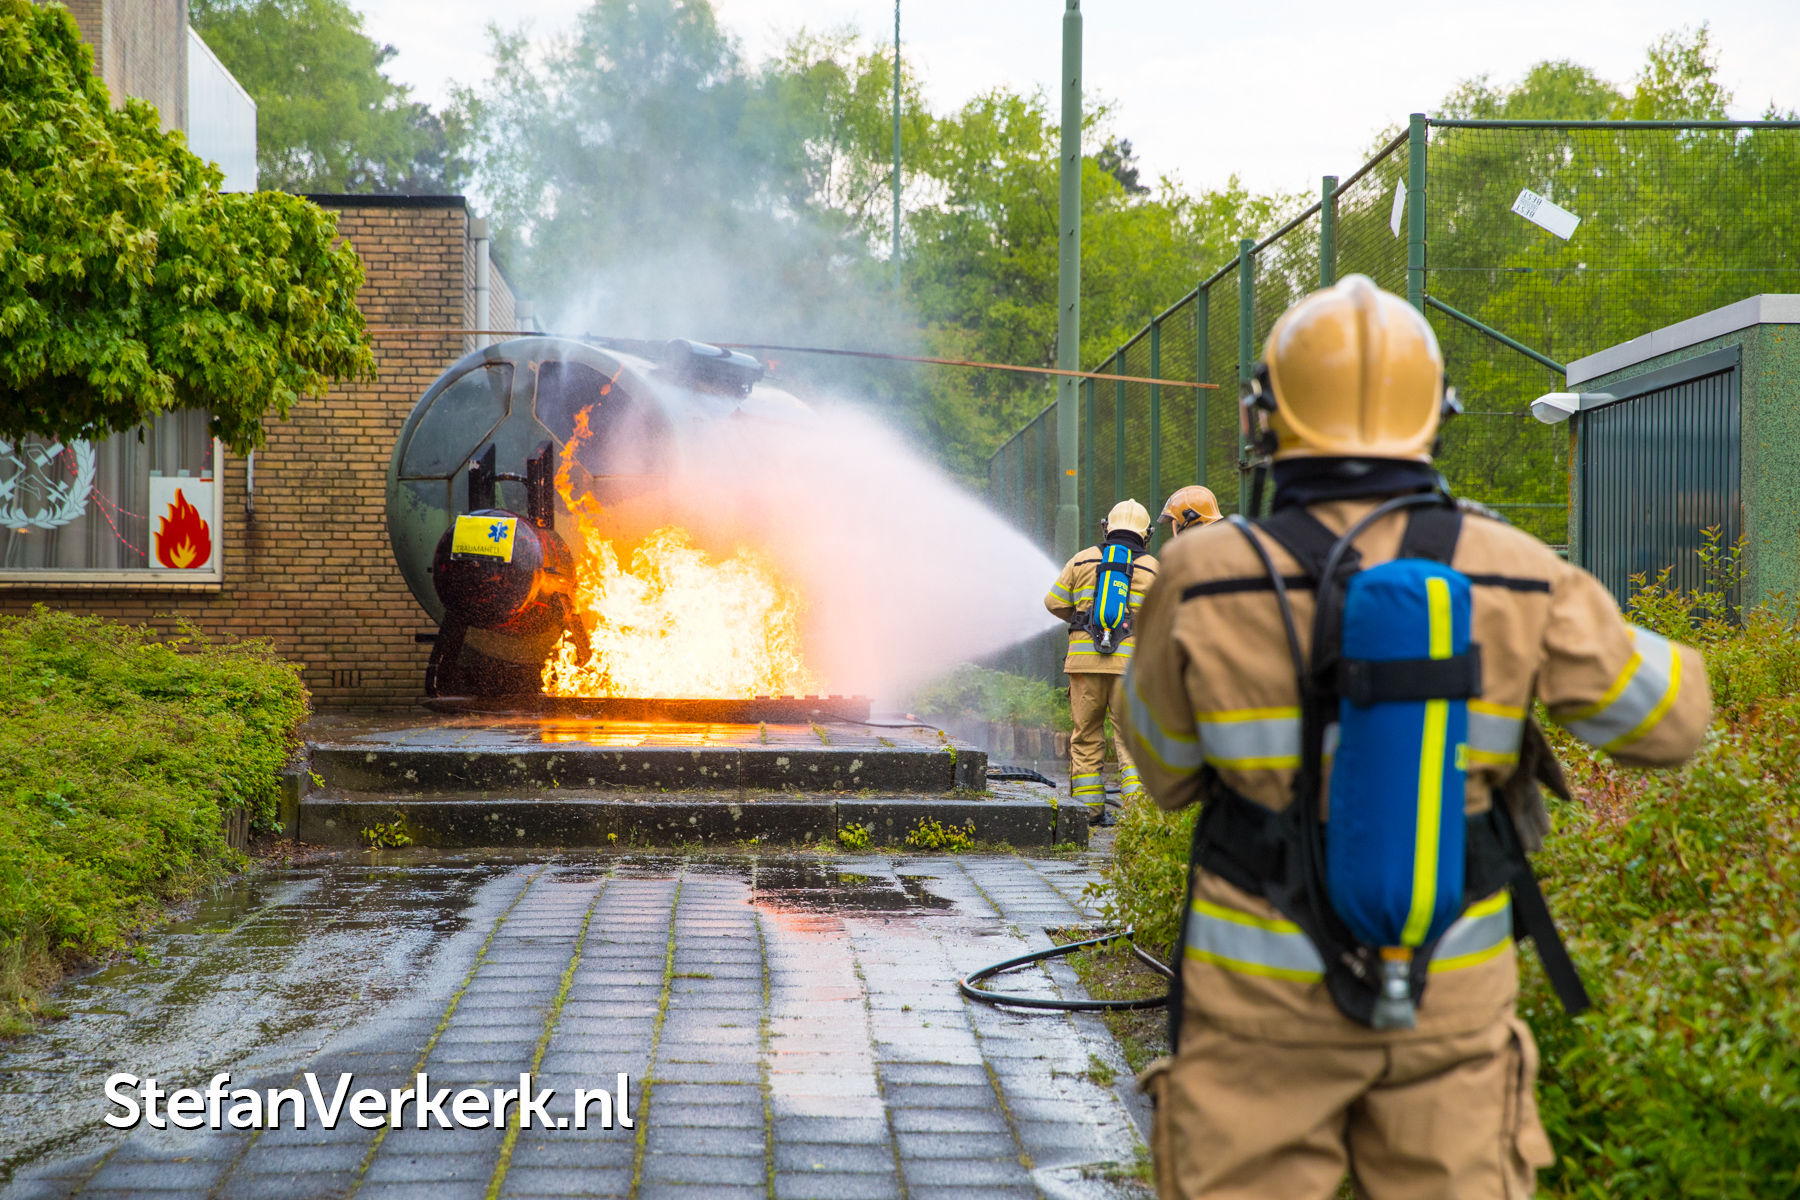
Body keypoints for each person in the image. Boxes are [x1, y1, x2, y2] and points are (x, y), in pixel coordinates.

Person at [1121, 275, 1712, 1199]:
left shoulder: (1202, 575)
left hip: (1257, 1012)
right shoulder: (1515, 569)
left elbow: (1162, 771)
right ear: (1435, 417)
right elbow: (1670, 725)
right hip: (1451, 1009)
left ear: (1266, 421)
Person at [1045, 499, 1160, 825]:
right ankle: (1137, 816)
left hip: (1084, 665)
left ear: (1106, 527)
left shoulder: (1082, 559)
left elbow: (1053, 601)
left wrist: (1083, 620)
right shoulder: (1153, 568)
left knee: (1085, 737)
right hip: (1130, 669)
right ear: (1146, 534)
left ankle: (1088, 814)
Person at [1159, 486, 1224, 537]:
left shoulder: (1201, 545)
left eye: (1178, 524)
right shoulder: (1223, 535)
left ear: (1190, 517)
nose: (1177, 528)